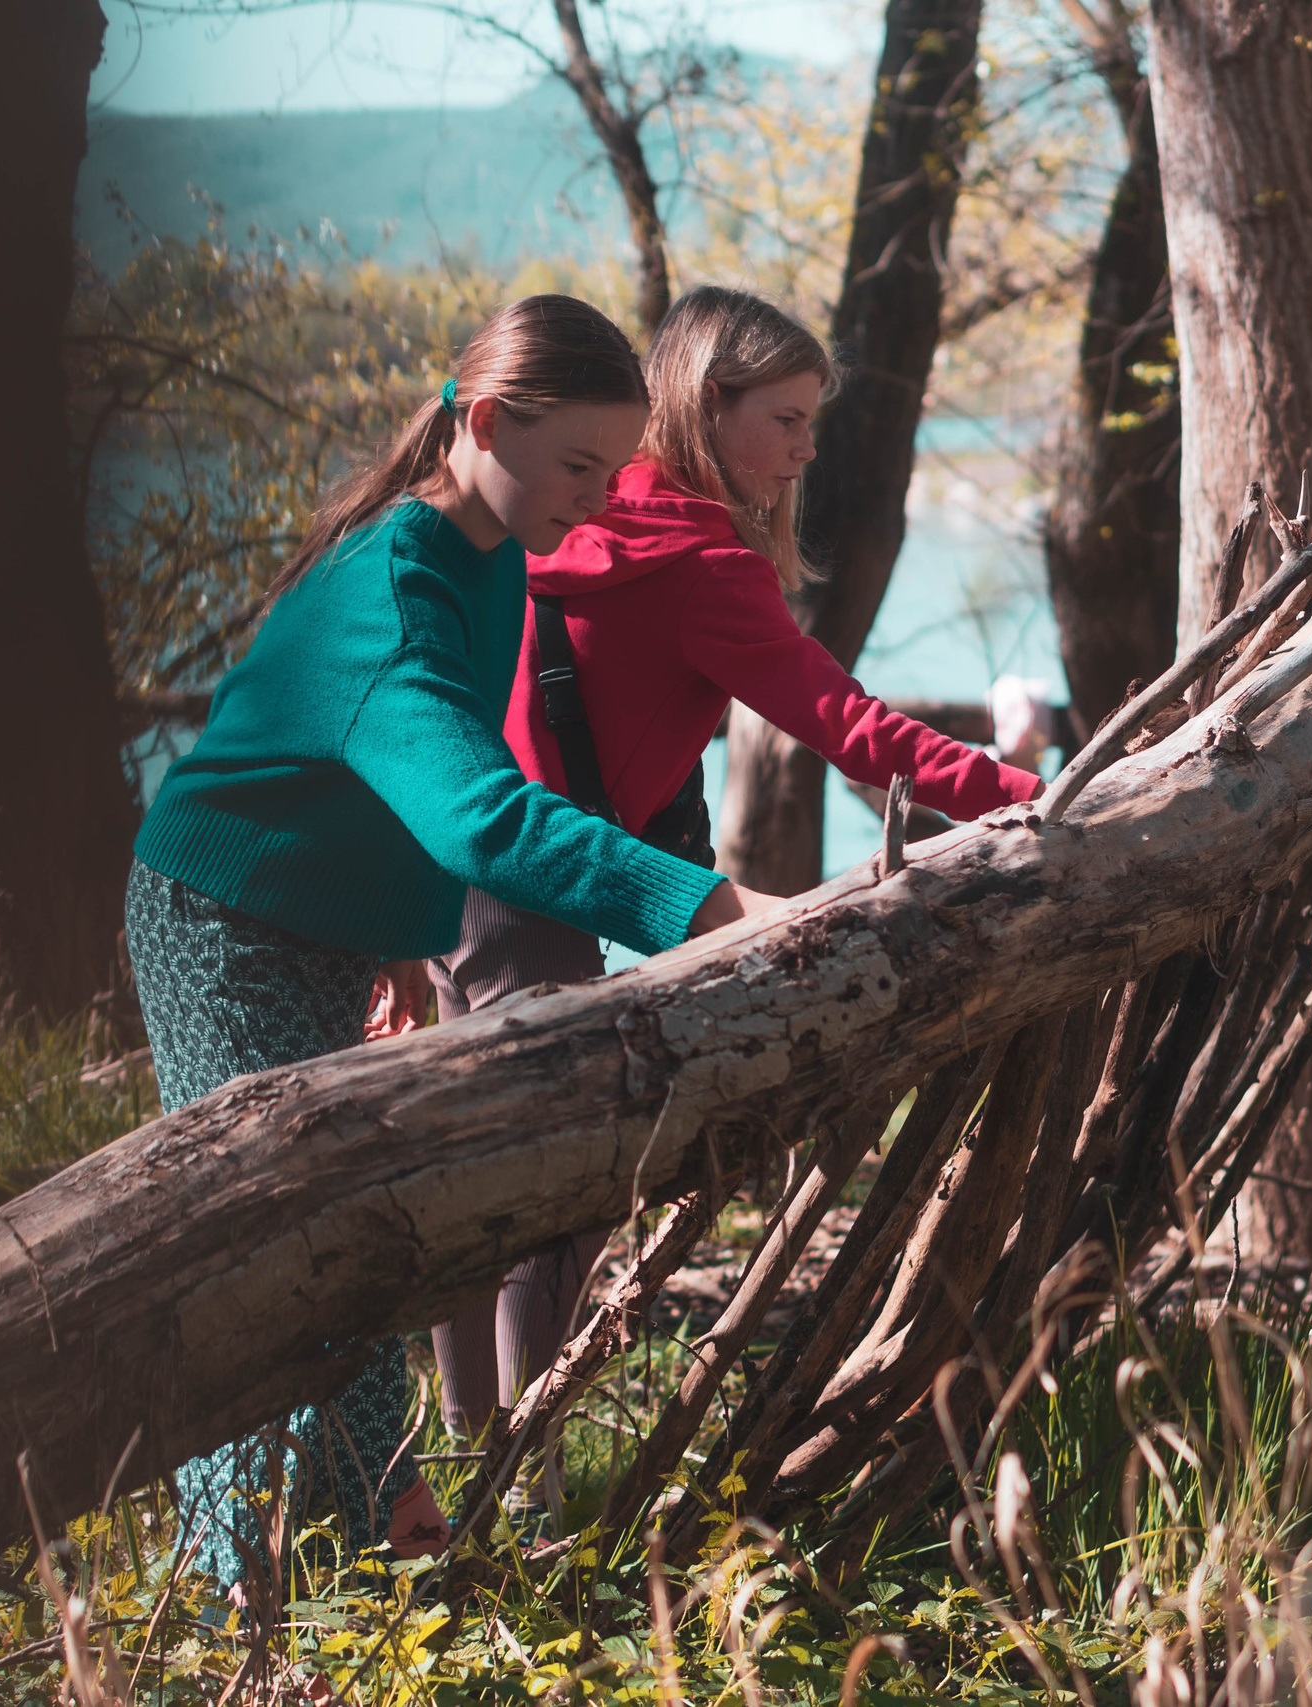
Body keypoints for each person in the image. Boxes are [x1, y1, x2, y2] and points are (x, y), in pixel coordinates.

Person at [124, 293, 786, 1601]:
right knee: (274, 1251)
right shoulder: (398, 583)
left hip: (319, 935)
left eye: (614, 466)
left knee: (350, 1232)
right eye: (580, 466)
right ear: (485, 424)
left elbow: (421, 781)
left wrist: (407, 947)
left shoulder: (489, 554)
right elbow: (481, 811)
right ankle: (238, 1589)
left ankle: (378, 1533)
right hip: (220, 927)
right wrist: (710, 907)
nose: (598, 500)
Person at [426, 285, 1045, 1473]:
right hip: (535, 878)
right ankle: (520, 1485)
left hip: (455, 863)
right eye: (791, 418)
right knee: (536, 1179)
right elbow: (853, 728)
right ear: (712, 409)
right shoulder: (700, 567)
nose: (810, 448)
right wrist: (1036, 799)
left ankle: (468, 1467)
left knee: (464, 1169)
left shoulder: (586, 523)